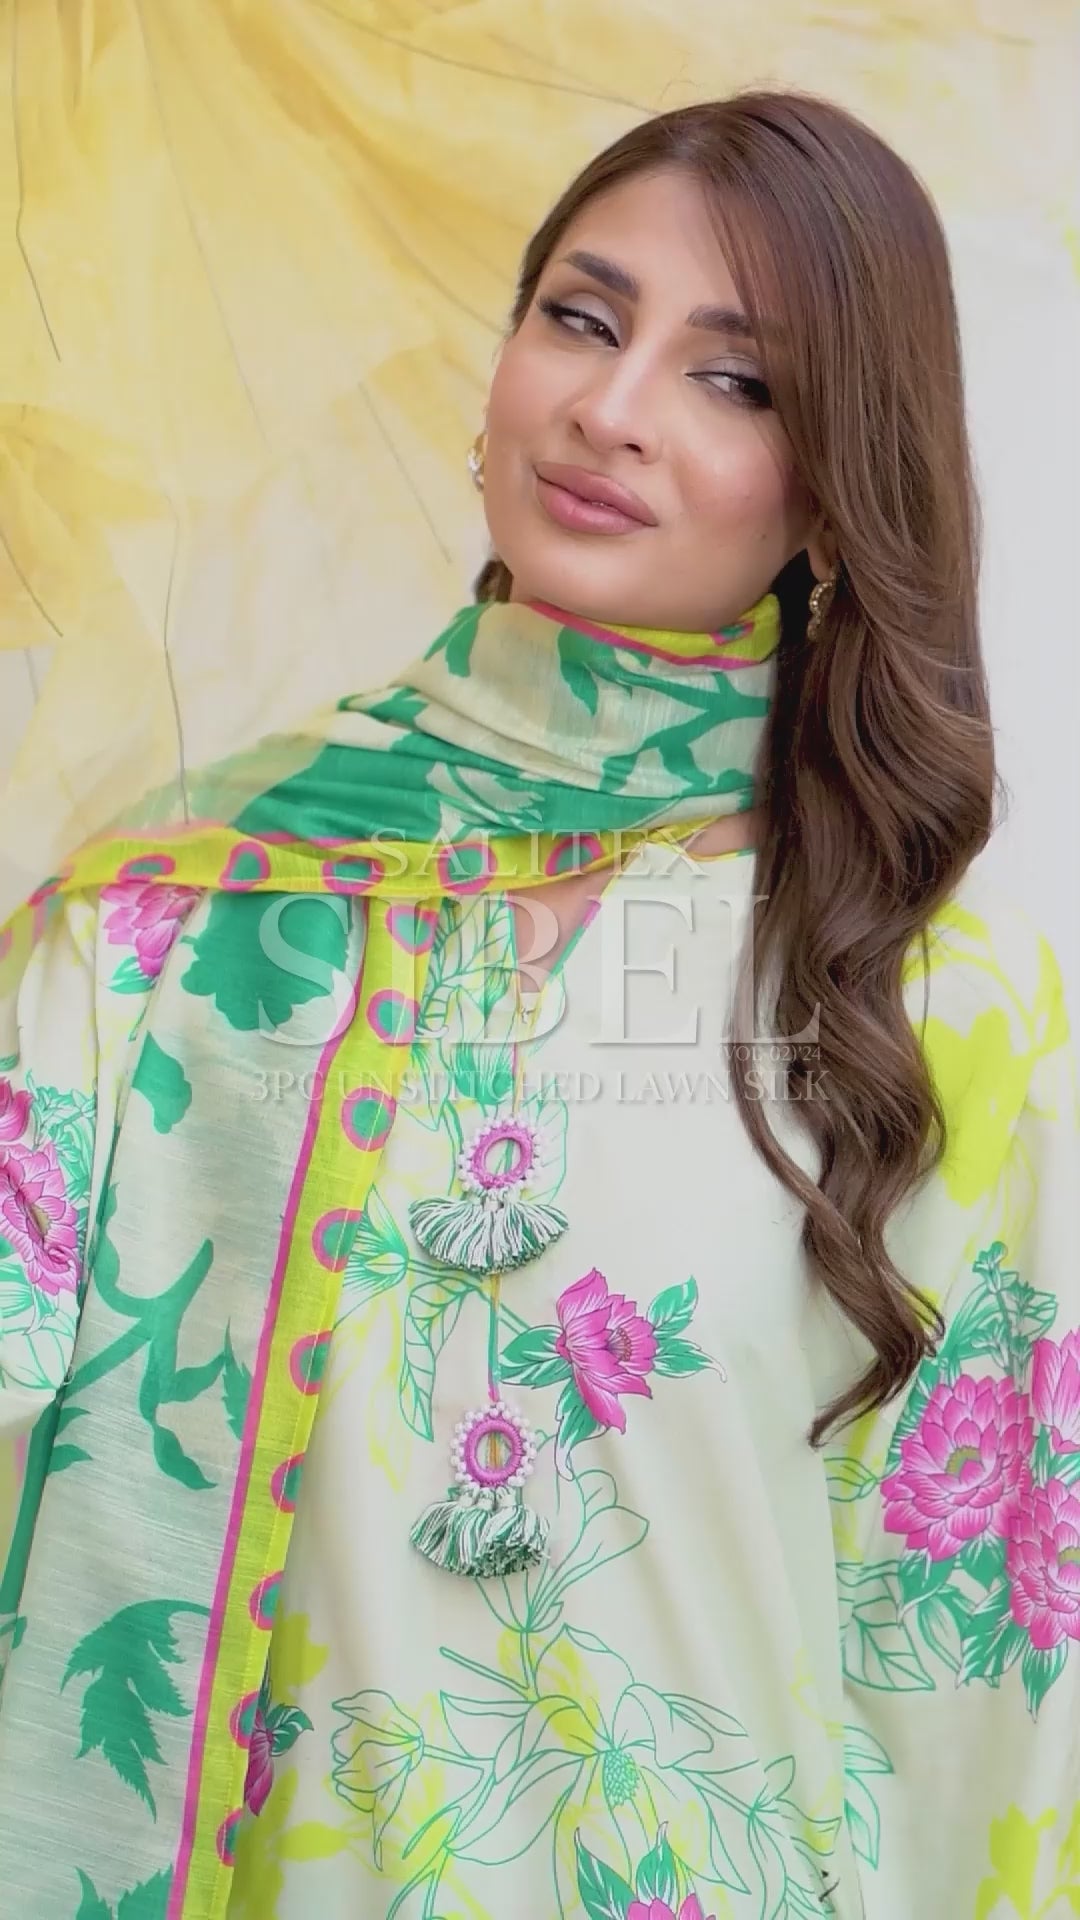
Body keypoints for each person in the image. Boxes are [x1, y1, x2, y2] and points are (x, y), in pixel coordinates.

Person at [0, 88, 1077, 1920]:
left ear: (836, 489)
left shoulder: (923, 991)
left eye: (735, 381)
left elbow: (1000, 1701)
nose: (613, 408)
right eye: (582, 319)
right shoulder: (181, 908)